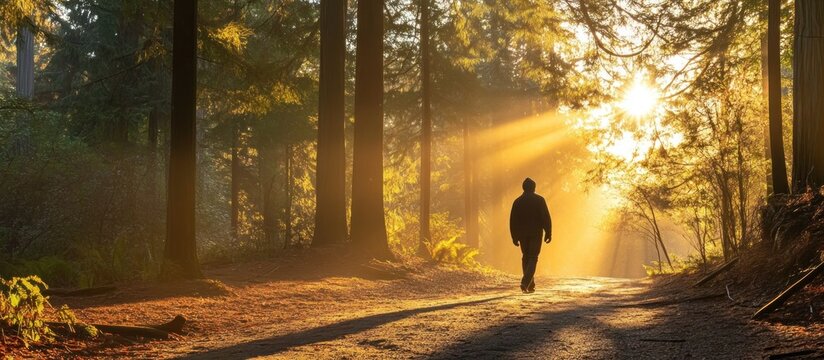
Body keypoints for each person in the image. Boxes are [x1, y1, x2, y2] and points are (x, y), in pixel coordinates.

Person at [509, 177, 552, 293]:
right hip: (535, 234)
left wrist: (514, 236)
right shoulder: (539, 200)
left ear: (523, 188)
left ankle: (530, 285)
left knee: (526, 257)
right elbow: (546, 218)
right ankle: (525, 281)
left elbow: (513, 221)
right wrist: (548, 232)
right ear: (534, 187)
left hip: (522, 235)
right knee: (533, 257)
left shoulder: (517, 201)